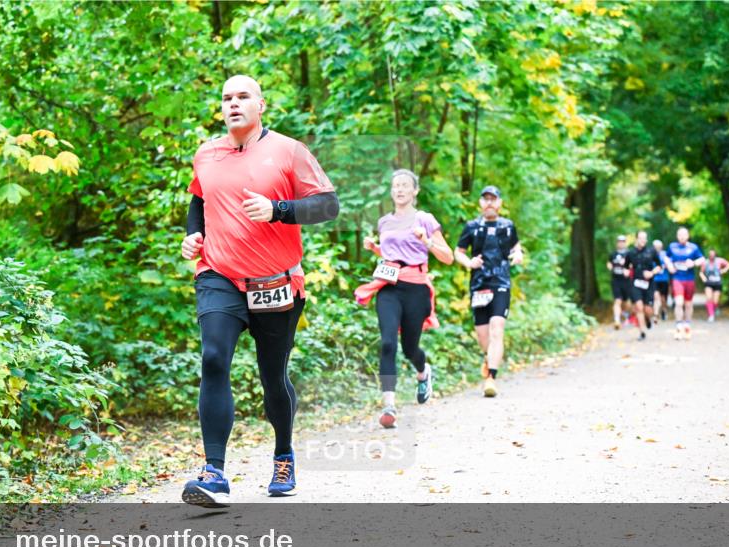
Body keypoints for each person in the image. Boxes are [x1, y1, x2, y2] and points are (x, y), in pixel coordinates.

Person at [179, 75, 339, 506]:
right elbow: (199, 201)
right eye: (227, 98)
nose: (234, 104)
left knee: (273, 377)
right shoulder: (207, 153)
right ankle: (214, 473)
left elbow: (328, 204)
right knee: (214, 358)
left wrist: (277, 209)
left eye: (243, 96)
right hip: (219, 275)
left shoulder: (288, 151)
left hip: (275, 282)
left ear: (261, 105)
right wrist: (193, 235)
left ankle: (283, 454)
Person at [356, 169, 453, 428]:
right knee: (388, 343)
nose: (399, 189)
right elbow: (392, 253)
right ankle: (389, 405)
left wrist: (427, 241)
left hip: (416, 289)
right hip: (389, 287)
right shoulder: (384, 222)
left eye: (404, 185)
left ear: (415, 191)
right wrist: (375, 248)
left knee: (410, 348)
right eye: (395, 185)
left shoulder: (424, 219)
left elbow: (448, 257)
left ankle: (423, 372)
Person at [454, 185, 523, 397]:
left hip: (501, 282)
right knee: (483, 336)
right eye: (486, 199)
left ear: (500, 202)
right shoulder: (472, 226)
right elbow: (458, 251)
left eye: (493, 199)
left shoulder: (508, 226)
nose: (490, 203)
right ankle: (488, 358)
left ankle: (491, 378)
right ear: (481, 203)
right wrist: (469, 262)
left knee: (497, 328)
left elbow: (516, 246)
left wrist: (518, 254)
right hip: (479, 285)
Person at [665, 226, 704, 340]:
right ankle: (678, 327)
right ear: (677, 236)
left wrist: (693, 263)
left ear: (688, 236)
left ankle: (687, 326)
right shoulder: (672, 247)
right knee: (678, 303)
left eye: (684, 235)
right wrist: (669, 265)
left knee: (688, 304)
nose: (682, 237)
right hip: (677, 278)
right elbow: (666, 257)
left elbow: (702, 259)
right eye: (680, 235)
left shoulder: (693, 247)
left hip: (689, 279)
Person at [625, 230, 662, 341]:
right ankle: (642, 332)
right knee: (639, 307)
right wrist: (626, 272)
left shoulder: (651, 251)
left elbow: (659, 266)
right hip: (636, 283)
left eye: (645, 238)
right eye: (641, 238)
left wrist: (652, 273)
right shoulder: (630, 253)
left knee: (648, 310)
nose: (643, 240)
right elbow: (626, 267)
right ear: (636, 239)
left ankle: (647, 319)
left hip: (649, 284)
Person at [606, 235, 631, 330]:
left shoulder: (629, 254)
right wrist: (610, 267)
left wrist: (628, 269)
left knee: (626, 302)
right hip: (616, 280)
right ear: (617, 243)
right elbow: (609, 262)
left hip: (626, 281)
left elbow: (633, 264)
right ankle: (617, 320)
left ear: (625, 243)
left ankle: (626, 315)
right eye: (619, 241)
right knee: (617, 300)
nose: (621, 243)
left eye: (623, 241)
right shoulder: (613, 254)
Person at [699, 249, 729, 322]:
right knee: (709, 298)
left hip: (717, 283)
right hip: (708, 282)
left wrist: (724, 270)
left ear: (715, 255)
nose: (712, 256)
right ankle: (711, 315)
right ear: (708, 255)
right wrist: (703, 278)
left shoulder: (720, 261)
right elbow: (701, 272)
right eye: (710, 255)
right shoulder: (705, 262)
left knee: (715, 301)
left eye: (713, 254)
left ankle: (715, 308)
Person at [651, 239, 671, 322]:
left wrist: (667, 265)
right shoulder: (650, 255)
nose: (657, 248)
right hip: (655, 280)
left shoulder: (665, 255)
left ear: (661, 247)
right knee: (656, 297)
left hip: (664, 280)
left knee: (663, 299)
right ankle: (655, 315)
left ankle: (663, 310)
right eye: (655, 247)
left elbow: (670, 265)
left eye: (659, 247)